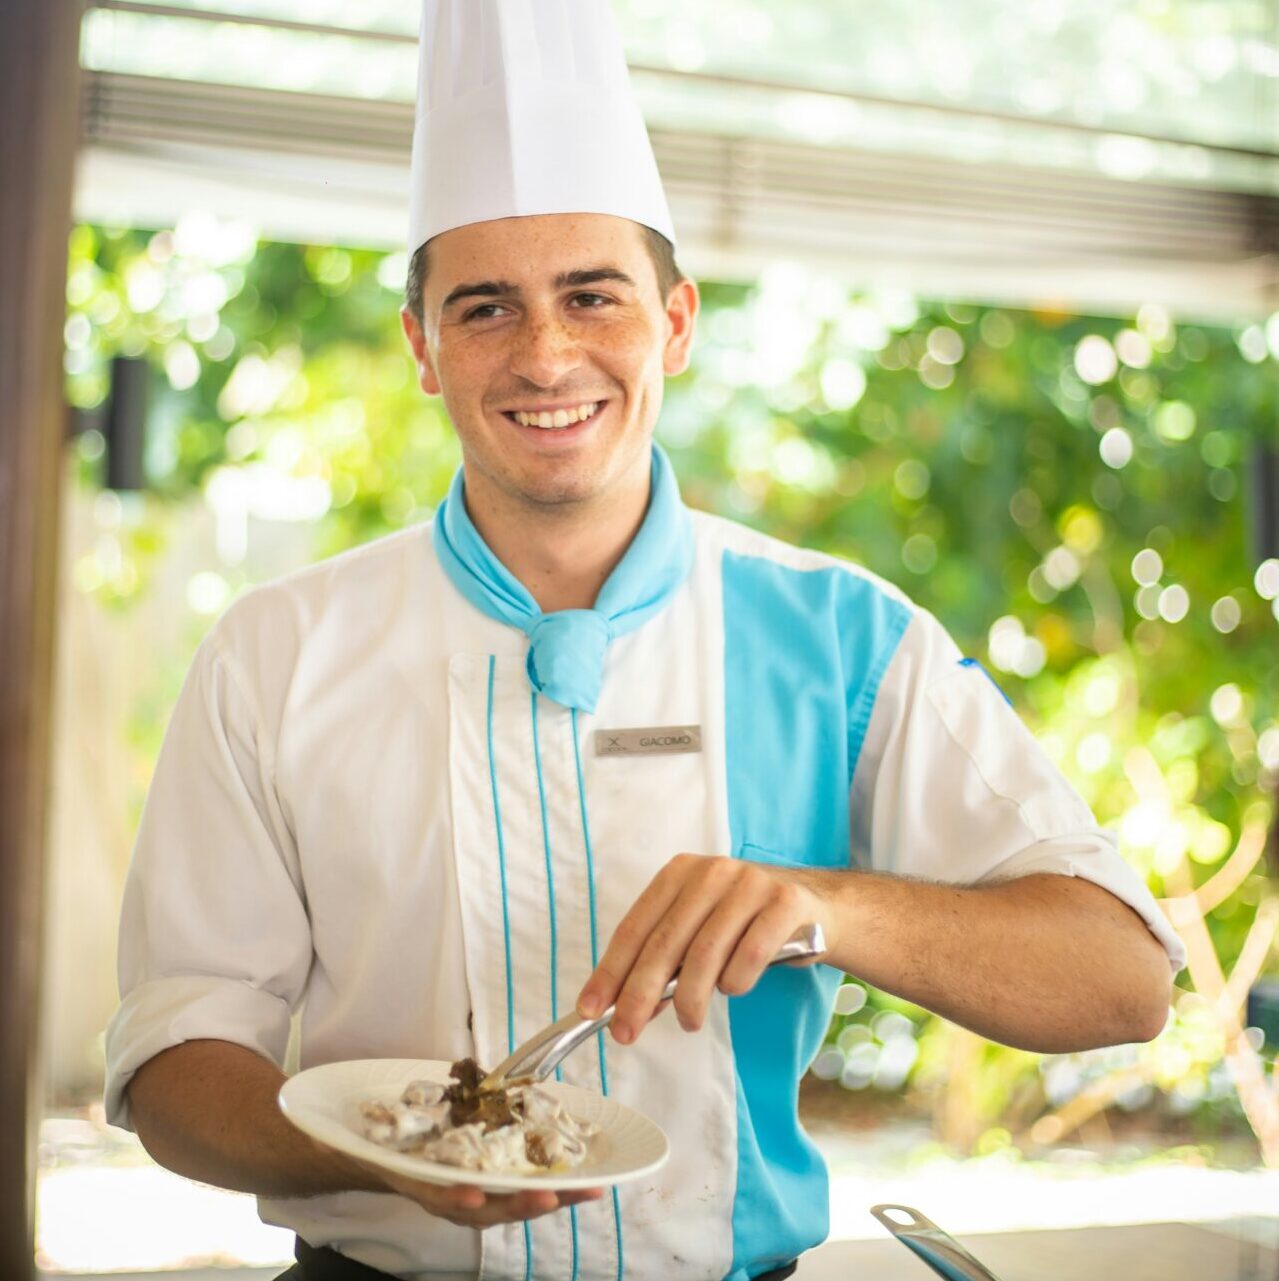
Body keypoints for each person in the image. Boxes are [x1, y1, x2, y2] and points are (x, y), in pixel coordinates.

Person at [103, 3, 1185, 1280]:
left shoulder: (840, 637)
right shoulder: (273, 655)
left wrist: (826, 907)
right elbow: (175, 1063)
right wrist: (384, 1154)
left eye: (591, 296)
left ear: (674, 321)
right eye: (485, 308)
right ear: (422, 347)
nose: (546, 353)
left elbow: (1120, 978)